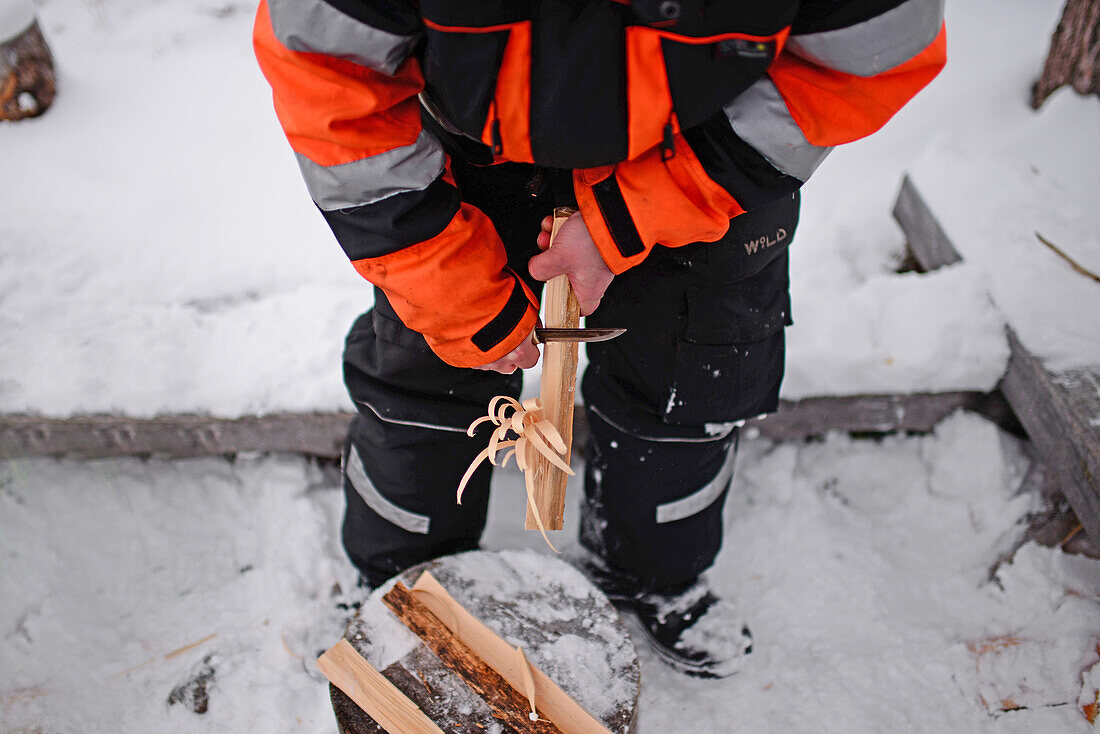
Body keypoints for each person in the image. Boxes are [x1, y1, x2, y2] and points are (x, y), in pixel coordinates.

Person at [254, 0, 946, 678]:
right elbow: (326, 74)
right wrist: (446, 283)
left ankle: (649, 570)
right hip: (460, 166)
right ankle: (398, 577)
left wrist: (644, 206)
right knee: (425, 374)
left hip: (710, 170)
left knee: (692, 377)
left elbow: (869, 56)